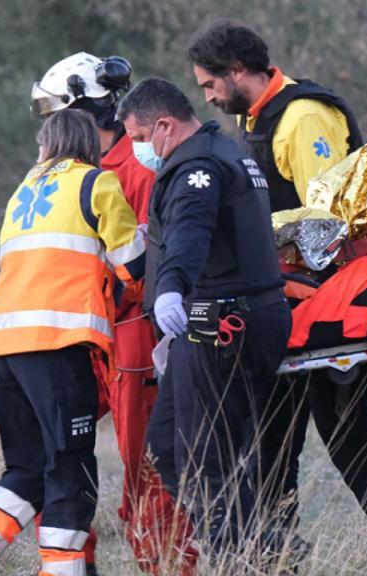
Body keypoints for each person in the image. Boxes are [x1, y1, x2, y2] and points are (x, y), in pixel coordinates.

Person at [186, 21, 367, 571]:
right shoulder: (259, 118)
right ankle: (277, 555)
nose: (208, 97)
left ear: (238, 71)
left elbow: (330, 223)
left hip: (330, 306)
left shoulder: (302, 119)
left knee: (345, 434)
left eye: (210, 84)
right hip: (287, 306)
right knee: (274, 437)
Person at [0, 109, 146, 576]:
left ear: (46, 145)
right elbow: (135, 267)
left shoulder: (21, 192)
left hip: (2, 351)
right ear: (89, 144)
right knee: (71, 471)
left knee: (26, 473)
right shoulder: (97, 183)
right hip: (57, 347)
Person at [30, 52, 197, 575]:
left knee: (146, 469)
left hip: (133, 336)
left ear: (80, 111)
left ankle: (167, 566)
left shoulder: (141, 165)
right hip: (85, 334)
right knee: (50, 453)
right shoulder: (86, 172)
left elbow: (150, 265)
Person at [117, 78, 292, 561]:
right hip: (227, 321)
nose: (136, 149)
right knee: (171, 448)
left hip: (219, 324)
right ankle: (269, 551)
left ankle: (247, 560)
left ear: (165, 126)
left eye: (136, 136)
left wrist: (170, 290)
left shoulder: (197, 167)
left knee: (203, 461)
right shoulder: (228, 153)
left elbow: (190, 234)